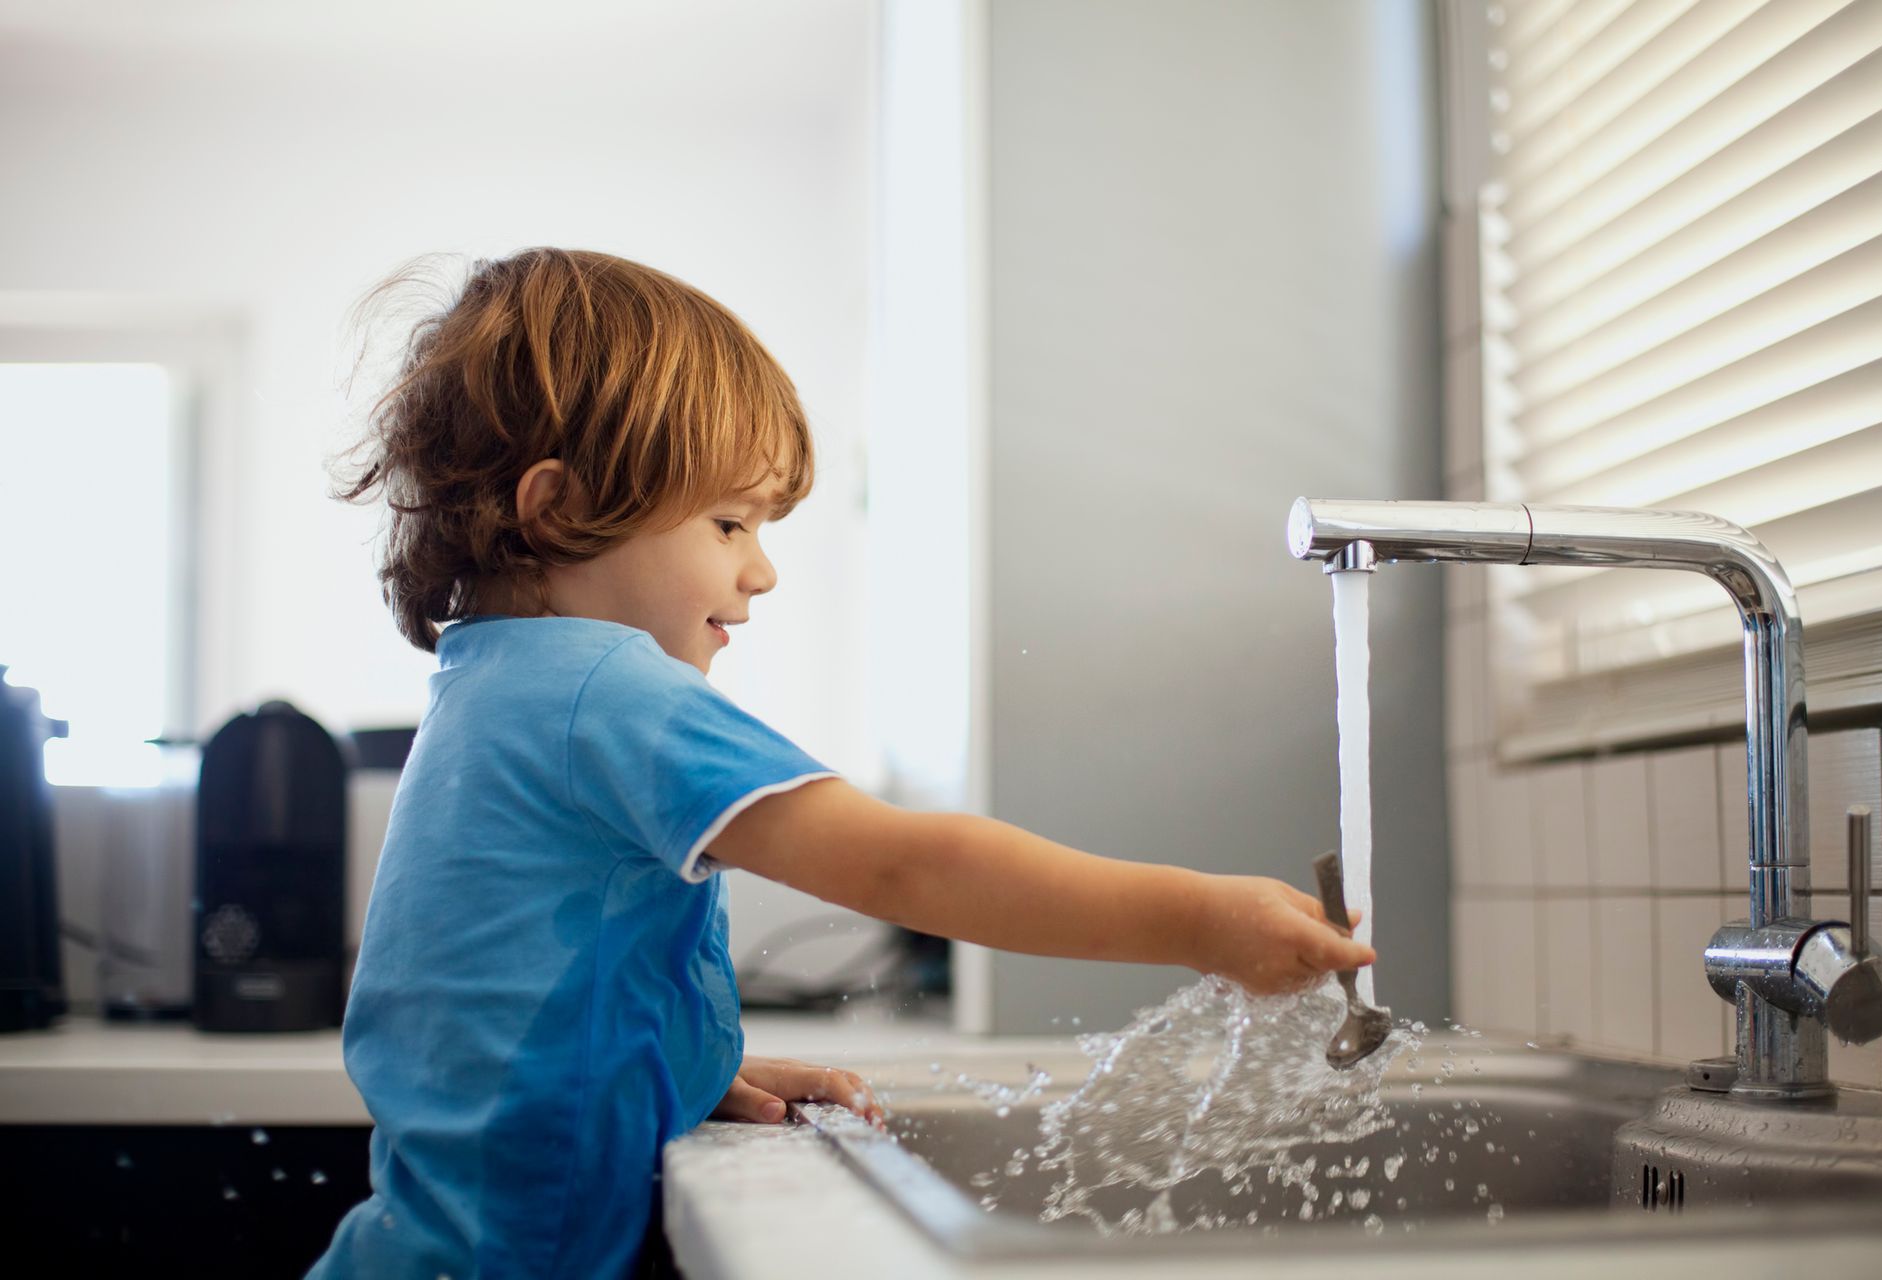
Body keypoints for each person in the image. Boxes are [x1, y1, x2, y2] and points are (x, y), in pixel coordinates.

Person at [307, 247, 1373, 1279]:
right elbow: (904, 866)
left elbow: (489, 1003)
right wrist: (1194, 922)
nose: (760, 570)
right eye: (730, 520)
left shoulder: (488, 684)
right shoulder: (604, 688)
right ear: (558, 509)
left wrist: (668, 1073)